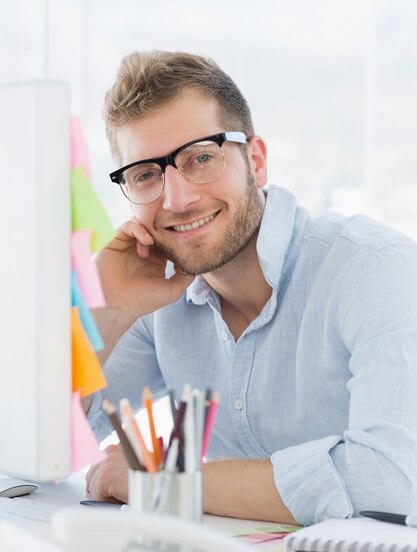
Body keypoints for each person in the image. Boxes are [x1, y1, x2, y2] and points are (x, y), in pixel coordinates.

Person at [85, 50, 417, 526]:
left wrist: (164, 483)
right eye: (146, 175)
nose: (177, 200)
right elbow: (37, 445)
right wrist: (108, 310)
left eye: (201, 158)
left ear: (256, 162)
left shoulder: (376, 270)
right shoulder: (155, 301)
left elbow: (393, 479)